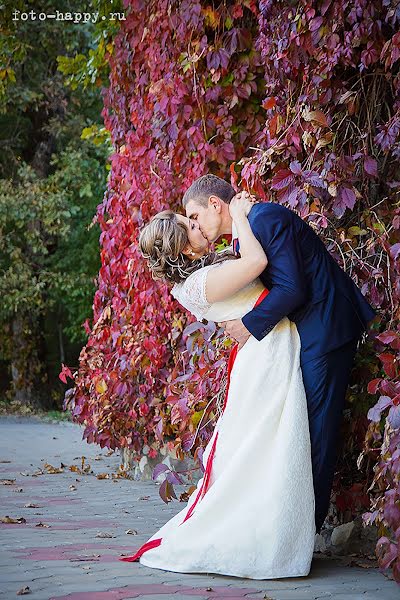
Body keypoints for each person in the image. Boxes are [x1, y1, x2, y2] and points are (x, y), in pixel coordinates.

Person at [120, 192, 316, 579]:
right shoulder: (198, 283)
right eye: (189, 226)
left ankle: (275, 533)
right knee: (266, 446)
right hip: (266, 354)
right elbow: (257, 262)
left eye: (192, 219)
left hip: (268, 347)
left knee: (265, 446)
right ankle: (260, 539)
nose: (198, 225)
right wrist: (240, 214)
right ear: (180, 249)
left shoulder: (198, 274)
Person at [182, 174, 376, 533]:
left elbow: (292, 288)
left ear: (215, 204)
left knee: (317, 432)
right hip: (313, 331)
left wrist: (247, 325)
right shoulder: (247, 231)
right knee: (305, 429)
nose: (194, 226)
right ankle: (296, 528)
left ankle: (303, 534)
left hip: (327, 327)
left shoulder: (264, 219)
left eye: (194, 217)